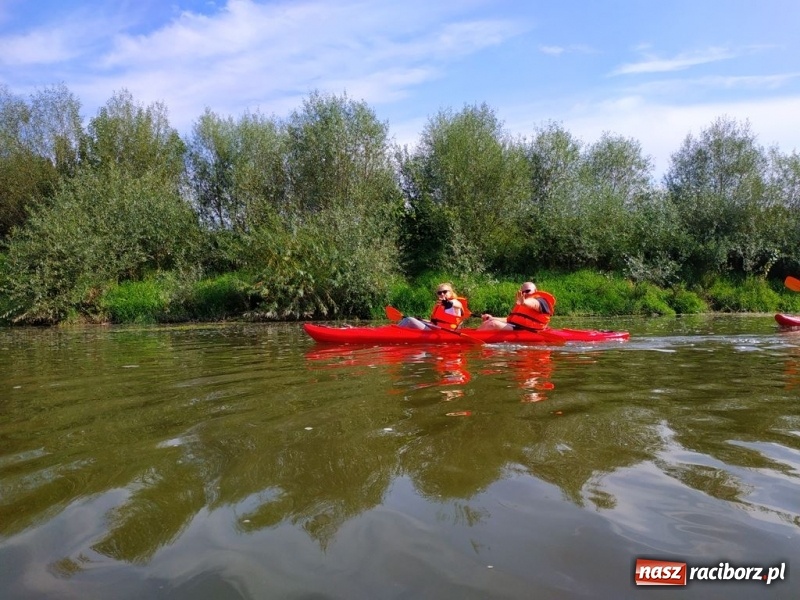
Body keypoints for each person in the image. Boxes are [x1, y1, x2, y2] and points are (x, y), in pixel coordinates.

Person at [477, 282, 555, 331]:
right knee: (489, 322)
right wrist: (492, 318)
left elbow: (534, 303)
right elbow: (510, 320)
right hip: (517, 327)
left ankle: (473, 339)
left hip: (529, 330)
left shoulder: (541, 301)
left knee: (492, 324)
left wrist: (524, 302)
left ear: (535, 291)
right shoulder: (521, 304)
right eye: (523, 292)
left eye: (528, 291)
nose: (525, 293)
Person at [398, 283, 469, 330]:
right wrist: (420, 319)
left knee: (409, 320)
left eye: (444, 292)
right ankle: (395, 331)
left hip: (445, 332)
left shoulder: (455, 302)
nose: (442, 294)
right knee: (408, 319)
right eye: (439, 293)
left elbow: (457, 305)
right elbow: (435, 322)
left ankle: (394, 332)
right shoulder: (440, 305)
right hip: (435, 329)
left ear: (450, 292)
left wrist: (447, 302)